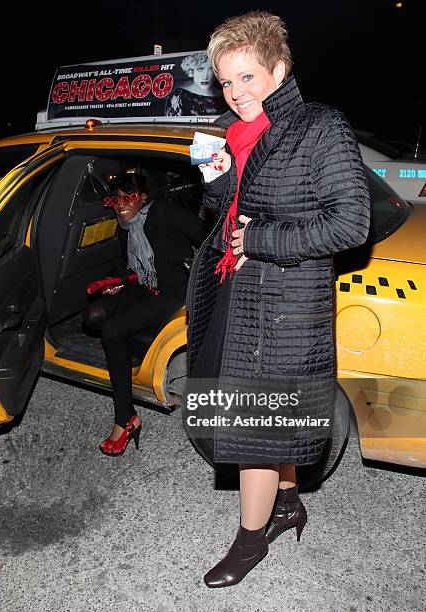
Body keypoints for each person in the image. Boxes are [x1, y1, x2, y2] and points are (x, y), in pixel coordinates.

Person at [185, 11, 371, 588]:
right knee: (274, 418)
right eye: (227, 81)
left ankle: (250, 540)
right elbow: (236, 210)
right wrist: (218, 185)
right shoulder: (235, 132)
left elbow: (351, 224)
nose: (236, 93)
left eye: (248, 77)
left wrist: (259, 239)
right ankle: (288, 504)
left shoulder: (320, 126)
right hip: (240, 294)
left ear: (279, 68)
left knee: (251, 429)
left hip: (288, 304)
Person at [82, 172, 206, 456]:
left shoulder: (165, 213)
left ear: (144, 198)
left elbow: (207, 235)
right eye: (116, 200)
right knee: (93, 315)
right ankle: (127, 351)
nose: (122, 205)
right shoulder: (125, 227)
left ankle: (125, 418)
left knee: (112, 330)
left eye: (130, 198)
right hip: (145, 286)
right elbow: (135, 268)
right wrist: (119, 283)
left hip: (172, 292)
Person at [165, 52, 224, 117]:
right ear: (191, 71)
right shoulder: (180, 95)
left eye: (211, 70)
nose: (205, 77)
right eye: (200, 69)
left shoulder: (226, 95)